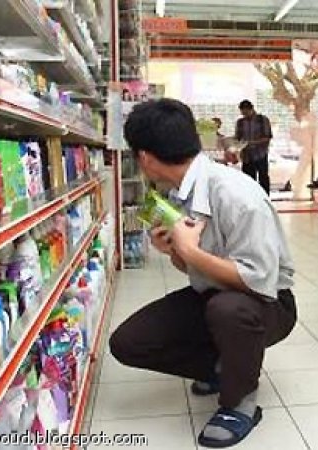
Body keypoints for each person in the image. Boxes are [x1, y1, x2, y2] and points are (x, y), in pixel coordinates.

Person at [109, 99, 297, 448]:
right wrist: (175, 252)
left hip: (269, 304)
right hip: (214, 293)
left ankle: (240, 402)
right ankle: (226, 368)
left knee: (228, 309)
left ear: (145, 158)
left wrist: (191, 251)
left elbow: (257, 281)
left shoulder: (235, 194)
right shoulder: (178, 193)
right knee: (128, 342)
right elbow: (195, 270)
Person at [235, 100, 273, 193]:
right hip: (247, 156)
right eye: (243, 113)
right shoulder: (240, 122)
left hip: (260, 154)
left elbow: (267, 137)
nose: (245, 115)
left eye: (246, 112)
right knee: (248, 180)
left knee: (263, 178)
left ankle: (265, 198)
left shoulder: (262, 120)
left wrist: (253, 142)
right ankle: (251, 198)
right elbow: (238, 138)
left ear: (251, 109)